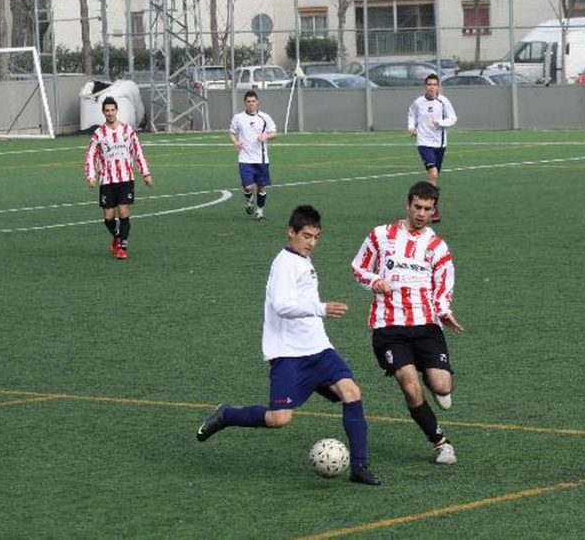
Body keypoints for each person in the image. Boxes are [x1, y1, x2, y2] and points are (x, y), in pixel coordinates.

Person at [196, 205, 381, 486]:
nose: (311, 243)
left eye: (316, 237)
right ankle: (227, 415)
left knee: (351, 391)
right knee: (279, 419)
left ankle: (359, 466)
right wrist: (321, 308)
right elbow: (282, 306)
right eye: (306, 236)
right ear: (291, 232)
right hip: (288, 355)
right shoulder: (284, 264)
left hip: (318, 348)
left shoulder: (302, 260)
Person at [351, 181, 464, 465]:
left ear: (433, 210)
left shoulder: (436, 246)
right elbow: (358, 266)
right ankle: (441, 443)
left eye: (427, 209)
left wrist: (444, 310)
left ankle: (433, 378)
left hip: (426, 325)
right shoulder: (381, 236)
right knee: (409, 384)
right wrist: (374, 280)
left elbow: (443, 282)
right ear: (408, 205)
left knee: (441, 386)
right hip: (388, 327)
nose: (421, 213)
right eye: (417, 207)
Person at [83, 96, 152, 260]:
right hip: (107, 180)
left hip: (126, 179)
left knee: (123, 211)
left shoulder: (128, 131)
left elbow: (138, 153)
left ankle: (122, 247)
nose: (110, 113)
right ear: (103, 113)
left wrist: (146, 173)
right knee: (108, 218)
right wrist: (91, 175)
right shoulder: (99, 134)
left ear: (116, 110)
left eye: (112, 110)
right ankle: (116, 235)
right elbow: (91, 155)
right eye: (107, 110)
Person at [407, 74, 456, 222]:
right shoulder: (418, 102)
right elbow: (411, 115)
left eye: (434, 84)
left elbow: (453, 118)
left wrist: (440, 122)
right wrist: (411, 127)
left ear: (438, 86)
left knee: (434, 178)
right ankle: (432, 210)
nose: (432, 87)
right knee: (433, 174)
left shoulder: (443, 101)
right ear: (425, 86)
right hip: (424, 142)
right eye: (429, 84)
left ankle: (429, 206)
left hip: (439, 144)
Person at [229, 89, 277, 220]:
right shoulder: (238, 118)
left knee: (261, 187)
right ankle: (249, 200)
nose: (251, 104)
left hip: (261, 159)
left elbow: (274, 133)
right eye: (248, 101)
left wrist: (266, 135)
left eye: (253, 101)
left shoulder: (265, 117)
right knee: (248, 186)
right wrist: (236, 143)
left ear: (257, 102)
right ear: (245, 103)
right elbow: (232, 133)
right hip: (245, 158)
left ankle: (260, 211)